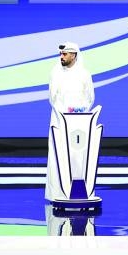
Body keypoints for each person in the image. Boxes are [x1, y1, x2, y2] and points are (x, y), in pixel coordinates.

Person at [46, 42, 94, 201]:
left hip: (79, 123)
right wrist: (65, 112)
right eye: (60, 54)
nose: (61, 57)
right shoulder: (55, 72)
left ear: (74, 55)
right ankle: (58, 193)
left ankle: (79, 190)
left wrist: (79, 111)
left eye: (65, 54)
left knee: (78, 154)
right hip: (60, 121)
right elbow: (53, 97)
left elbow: (90, 98)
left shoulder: (84, 73)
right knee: (58, 154)